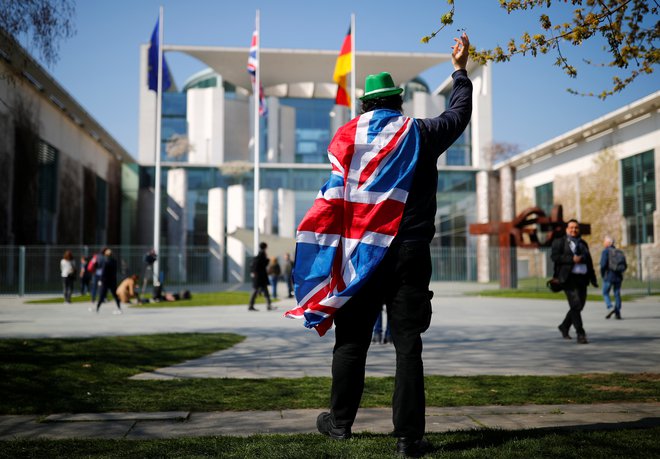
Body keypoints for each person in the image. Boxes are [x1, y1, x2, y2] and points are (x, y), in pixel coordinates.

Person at [295, 33, 473, 457]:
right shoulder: (420, 133)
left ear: (365, 105)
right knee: (408, 345)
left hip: (361, 255)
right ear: (397, 102)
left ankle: (339, 424)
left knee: (351, 341)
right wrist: (460, 71)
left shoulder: (346, 138)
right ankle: (409, 439)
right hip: (410, 252)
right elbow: (458, 114)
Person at [551, 219, 598, 344]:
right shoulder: (559, 242)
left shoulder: (583, 244)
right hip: (568, 278)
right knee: (576, 305)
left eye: (576, 228)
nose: (574, 230)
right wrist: (572, 259)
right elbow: (554, 257)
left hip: (582, 278)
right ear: (567, 229)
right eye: (571, 227)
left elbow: (589, 262)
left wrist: (593, 278)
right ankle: (580, 334)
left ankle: (564, 326)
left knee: (579, 306)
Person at [600, 236, 627, 319]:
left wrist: (602, 274)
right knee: (617, 293)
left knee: (605, 292)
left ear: (608, 243)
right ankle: (617, 313)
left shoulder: (605, 251)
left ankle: (610, 307)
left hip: (609, 275)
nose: (603, 243)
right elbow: (625, 265)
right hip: (618, 276)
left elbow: (603, 264)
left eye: (604, 242)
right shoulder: (619, 251)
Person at [95, 248, 123, 314]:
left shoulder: (106, 261)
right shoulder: (114, 261)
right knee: (115, 295)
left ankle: (97, 308)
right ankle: (119, 307)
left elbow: (103, 272)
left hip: (105, 281)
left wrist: (100, 280)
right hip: (112, 280)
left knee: (102, 295)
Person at [248, 242, 273, 311]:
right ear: (265, 247)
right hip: (260, 277)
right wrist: (268, 260)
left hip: (259, 277)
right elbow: (263, 264)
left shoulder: (259, 254)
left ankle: (268, 305)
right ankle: (252, 306)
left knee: (260, 291)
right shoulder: (262, 254)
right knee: (257, 291)